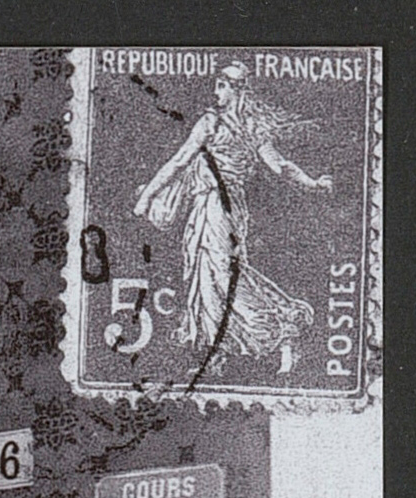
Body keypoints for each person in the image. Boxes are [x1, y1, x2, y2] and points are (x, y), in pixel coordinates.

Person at [132, 61, 334, 374]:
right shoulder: (251, 128)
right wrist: (313, 183)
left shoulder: (215, 123)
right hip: (223, 207)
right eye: (217, 85)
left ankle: (281, 327)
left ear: (237, 89)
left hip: (217, 205)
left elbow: (179, 162)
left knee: (221, 275)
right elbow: (281, 166)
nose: (216, 92)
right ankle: (217, 350)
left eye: (222, 86)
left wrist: (146, 197)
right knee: (207, 275)